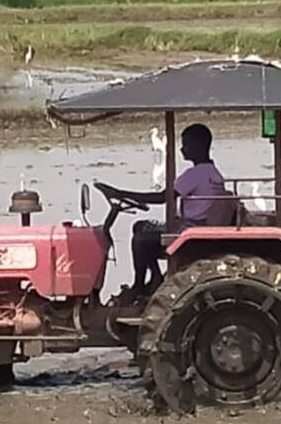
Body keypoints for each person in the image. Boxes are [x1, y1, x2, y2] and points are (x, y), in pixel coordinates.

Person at [96, 123, 226, 299]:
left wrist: (120, 193)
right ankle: (155, 277)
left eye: (186, 144)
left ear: (199, 146)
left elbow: (163, 197)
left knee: (141, 240)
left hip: (191, 229)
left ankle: (139, 286)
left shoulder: (196, 174)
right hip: (196, 224)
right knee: (140, 225)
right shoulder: (212, 172)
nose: (182, 149)